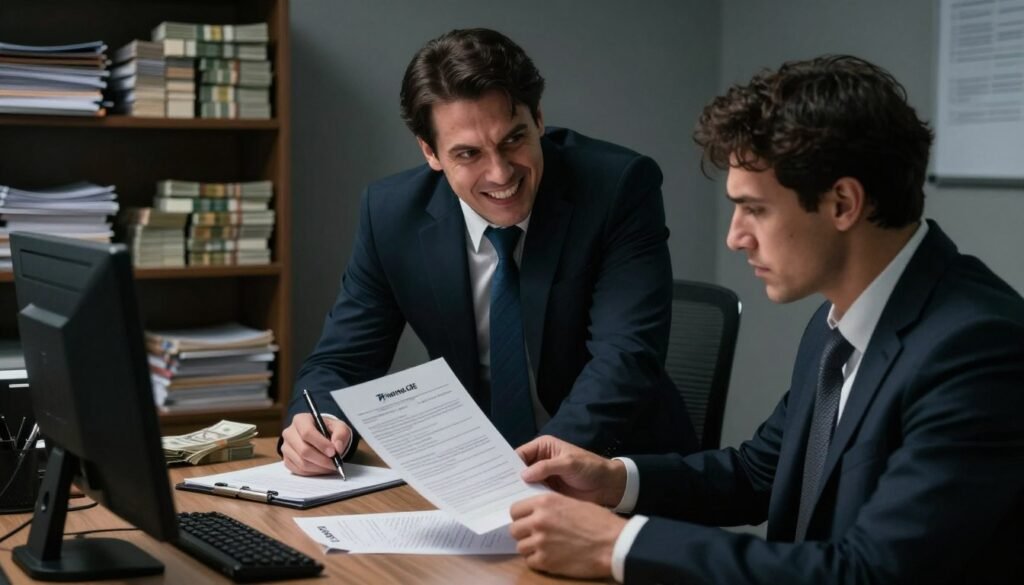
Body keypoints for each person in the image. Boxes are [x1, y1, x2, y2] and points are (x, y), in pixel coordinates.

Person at [508, 55, 1024, 584]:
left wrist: (617, 545)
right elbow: (760, 471)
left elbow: (872, 573)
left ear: (843, 203)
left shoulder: (977, 349)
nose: (735, 237)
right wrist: (614, 481)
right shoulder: (839, 319)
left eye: (754, 209)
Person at [281, 28, 698, 477]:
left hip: (615, 471)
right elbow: (342, 359)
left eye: (513, 139)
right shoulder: (391, 216)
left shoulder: (616, 189)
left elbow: (625, 358)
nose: (500, 173)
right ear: (431, 152)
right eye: (468, 153)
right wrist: (319, 420)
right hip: (474, 478)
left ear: (538, 118)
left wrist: (527, 475)